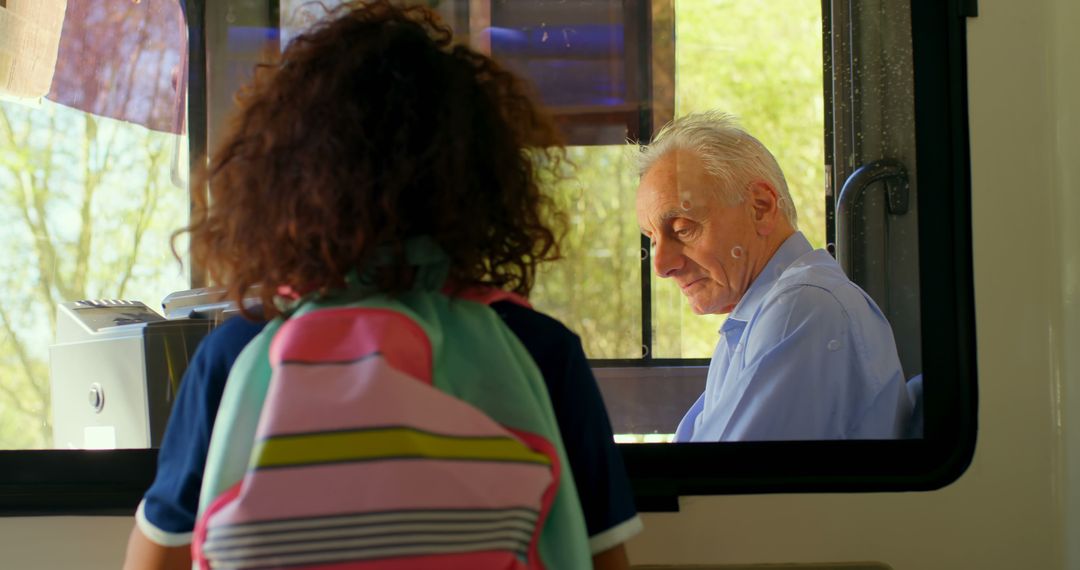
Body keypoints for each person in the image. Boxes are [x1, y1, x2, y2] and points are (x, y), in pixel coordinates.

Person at [123, 2, 641, 568]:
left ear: (283, 183)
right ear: (482, 179)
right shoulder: (541, 352)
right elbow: (602, 560)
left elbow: (157, 559)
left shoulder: (235, 355)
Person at [635, 111, 912, 442]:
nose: (661, 265)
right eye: (653, 239)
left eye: (683, 229)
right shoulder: (757, 318)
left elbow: (720, 488)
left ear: (761, 207)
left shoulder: (801, 308)